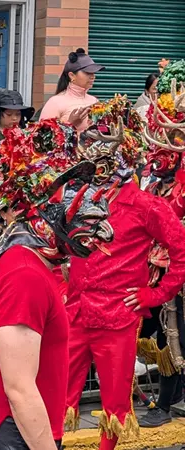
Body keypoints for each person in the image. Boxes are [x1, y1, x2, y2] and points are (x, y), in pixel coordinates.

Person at [0, 118, 115, 450]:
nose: (92, 214)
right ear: (40, 213)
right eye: (72, 195)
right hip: (11, 432)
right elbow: (19, 389)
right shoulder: (24, 277)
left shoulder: (30, 266)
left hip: (11, 429)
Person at [65, 96, 185, 450]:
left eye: (102, 147)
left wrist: (156, 294)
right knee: (59, 391)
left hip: (118, 316)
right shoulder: (83, 196)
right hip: (76, 311)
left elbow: (180, 251)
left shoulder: (147, 206)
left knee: (115, 405)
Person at [135, 78, 185, 428]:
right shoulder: (155, 182)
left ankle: (166, 404)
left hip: (176, 271)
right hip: (154, 268)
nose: (155, 160)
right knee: (147, 331)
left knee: (175, 333)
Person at [39, 48, 104, 132]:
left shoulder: (94, 101)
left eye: (93, 73)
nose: (93, 76)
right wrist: (70, 123)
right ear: (72, 75)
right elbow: (42, 137)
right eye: (87, 72)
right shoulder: (55, 102)